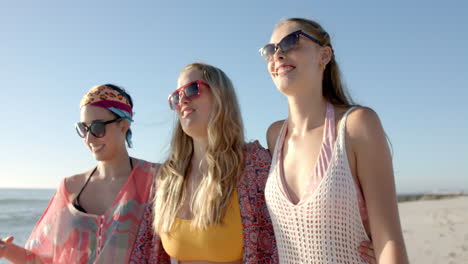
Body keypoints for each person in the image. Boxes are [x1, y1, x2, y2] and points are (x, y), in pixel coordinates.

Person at [261, 18, 409, 263]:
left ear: (324, 55)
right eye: (270, 50)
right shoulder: (275, 136)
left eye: (290, 42)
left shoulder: (355, 125)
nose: (278, 55)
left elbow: (389, 241)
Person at [0, 84, 168, 263]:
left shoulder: (158, 178)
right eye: (83, 128)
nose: (89, 138)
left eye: (97, 127)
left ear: (123, 126)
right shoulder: (70, 188)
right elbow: (44, 260)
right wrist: (6, 251)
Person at [153, 63, 277, 264]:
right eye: (176, 96)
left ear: (221, 96)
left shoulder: (254, 165)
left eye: (192, 89)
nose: (182, 100)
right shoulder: (169, 178)